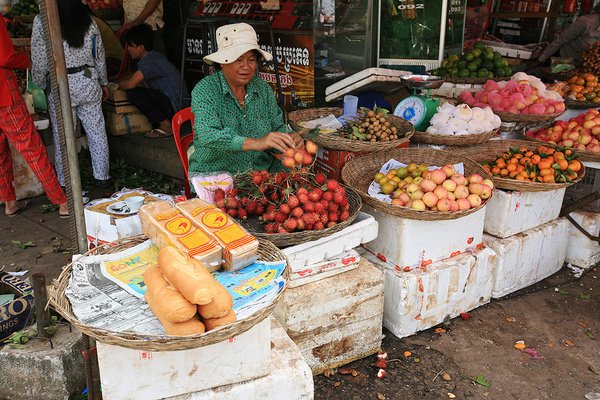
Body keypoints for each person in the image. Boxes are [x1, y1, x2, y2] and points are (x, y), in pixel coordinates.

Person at [188, 23, 302, 177]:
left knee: (300, 178)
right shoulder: (206, 90)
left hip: (260, 174)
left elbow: (277, 126)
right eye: (238, 59)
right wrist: (257, 142)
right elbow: (208, 135)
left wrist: (288, 137)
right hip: (216, 175)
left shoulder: (262, 89)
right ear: (222, 62)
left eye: (251, 60)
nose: (246, 67)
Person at [31, 0, 112, 188]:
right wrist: (103, 82)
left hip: (61, 85)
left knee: (63, 137)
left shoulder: (43, 20)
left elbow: (40, 58)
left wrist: (41, 83)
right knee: (97, 131)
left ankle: (66, 184)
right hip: (88, 81)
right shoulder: (88, 20)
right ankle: (103, 179)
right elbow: (98, 53)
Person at [0, 15, 68, 217]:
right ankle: (62, 202)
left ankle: (10, 202)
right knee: (31, 147)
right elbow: (5, 57)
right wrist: (26, 59)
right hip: (4, 95)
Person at [114, 23, 187, 138]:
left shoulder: (150, 61)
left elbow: (130, 84)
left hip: (174, 106)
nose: (128, 49)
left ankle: (166, 125)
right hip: (176, 103)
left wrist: (112, 85)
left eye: (131, 46)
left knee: (134, 94)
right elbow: (133, 76)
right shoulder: (153, 57)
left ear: (141, 47)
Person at [535, 5, 600, 65]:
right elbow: (561, 39)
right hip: (562, 60)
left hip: (583, 67)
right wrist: (541, 59)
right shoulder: (586, 22)